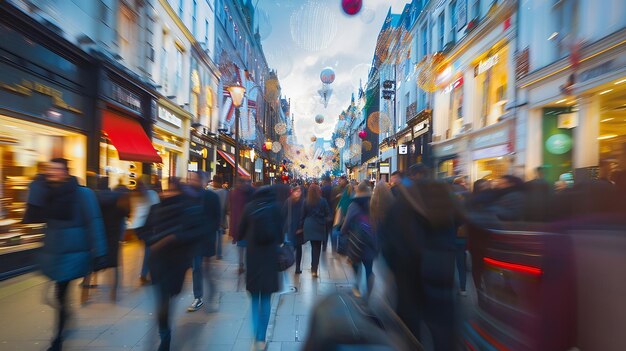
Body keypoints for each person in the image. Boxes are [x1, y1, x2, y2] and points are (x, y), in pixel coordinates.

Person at [23, 158, 107, 351]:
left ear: (66, 172)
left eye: (57, 169)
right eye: (50, 169)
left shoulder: (83, 194)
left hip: (73, 253)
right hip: (54, 252)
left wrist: (100, 253)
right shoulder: (47, 192)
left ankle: (58, 339)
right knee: (59, 296)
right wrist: (36, 185)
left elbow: (94, 221)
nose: (53, 173)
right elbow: (34, 216)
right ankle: (66, 317)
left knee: (60, 293)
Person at [379, 173, 460, 350]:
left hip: (408, 274)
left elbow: (387, 241)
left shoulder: (402, 205)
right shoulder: (444, 203)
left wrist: (394, 267)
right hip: (441, 273)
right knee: (442, 326)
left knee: (410, 324)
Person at [137, 177, 206, 351]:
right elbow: (142, 231)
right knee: (162, 301)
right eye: (167, 190)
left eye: (173, 190)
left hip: (177, 263)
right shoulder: (156, 209)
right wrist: (152, 241)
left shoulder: (188, 209)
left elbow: (197, 233)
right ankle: (165, 335)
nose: (169, 194)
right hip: (158, 262)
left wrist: (174, 238)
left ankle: (164, 332)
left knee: (168, 298)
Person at [239, 186, 283, 351]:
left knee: (254, 299)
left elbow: (240, 232)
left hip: (253, 258)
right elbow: (280, 234)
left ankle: (255, 337)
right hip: (270, 259)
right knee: (265, 299)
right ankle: (261, 339)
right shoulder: (276, 208)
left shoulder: (249, 207)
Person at [186, 172, 222, 313]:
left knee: (206, 270)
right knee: (197, 268)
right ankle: (198, 297)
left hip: (206, 238)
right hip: (195, 239)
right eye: (190, 179)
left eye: (194, 179)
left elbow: (217, 218)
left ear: (202, 181)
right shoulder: (189, 197)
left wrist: (210, 231)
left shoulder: (211, 197)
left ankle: (212, 292)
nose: (191, 181)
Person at [91, 177, 131, 302]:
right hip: (113, 235)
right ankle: (114, 292)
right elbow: (125, 213)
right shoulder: (116, 198)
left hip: (98, 233)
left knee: (94, 262)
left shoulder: (94, 197)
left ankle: (89, 287)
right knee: (114, 265)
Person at [340, 181, 377, 299]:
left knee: (356, 264)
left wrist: (343, 231)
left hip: (356, 241)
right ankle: (369, 289)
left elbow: (347, 223)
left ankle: (356, 287)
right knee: (368, 267)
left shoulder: (353, 205)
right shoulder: (373, 204)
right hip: (370, 240)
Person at [127, 180, 160, 285]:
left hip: (136, 226)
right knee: (149, 250)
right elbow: (157, 209)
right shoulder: (152, 194)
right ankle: (146, 274)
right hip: (147, 226)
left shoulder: (133, 195)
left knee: (148, 249)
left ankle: (145, 273)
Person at [302, 184, 331, 277]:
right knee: (317, 248)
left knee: (313, 245)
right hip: (319, 225)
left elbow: (302, 215)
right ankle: (314, 269)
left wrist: (300, 227)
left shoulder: (306, 201)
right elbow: (328, 214)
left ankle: (313, 267)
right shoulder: (323, 201)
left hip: (309, 226)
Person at [229, 176, 255, 273]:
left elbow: (232, 210)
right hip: (248, 223)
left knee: (241, 245)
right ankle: (245, 263)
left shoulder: (234, 193)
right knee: (247, 245)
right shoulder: (252, 191)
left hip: (240, 223)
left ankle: (241, 263)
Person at [283, 185, 305, 273]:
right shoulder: (288, 201)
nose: (298, 193)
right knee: (291, 247)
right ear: (293, 192)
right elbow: (283, 213)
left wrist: (301, 227)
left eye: (299, 192)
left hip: (299, 228)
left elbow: (305, 215)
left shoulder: (303, 202)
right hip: (290, 228)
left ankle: (297, 267)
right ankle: (288, 262)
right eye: (296, 191)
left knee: (298, 248)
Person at [209, 174, 229, 259]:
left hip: (211, 216)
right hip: (221, 217)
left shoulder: (210, 192)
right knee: (219, 236)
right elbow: (228, 206)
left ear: (214, 181)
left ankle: (210, 252)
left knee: (211, 235)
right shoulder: (225, 192)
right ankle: (219, 253)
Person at [320, 176, 333, 251]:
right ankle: (333, 245)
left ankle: (324, 245)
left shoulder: (322, 189)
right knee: (331, 228)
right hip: (332, 210)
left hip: (324, 211)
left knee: (325, 229)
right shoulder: (333, 188)